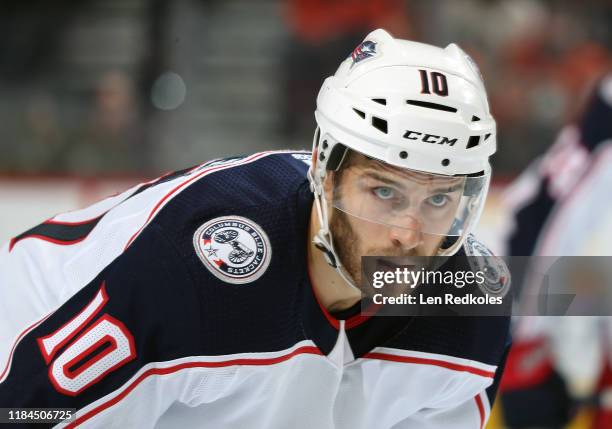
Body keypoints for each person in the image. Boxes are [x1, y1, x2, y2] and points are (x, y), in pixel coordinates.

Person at [0, 29, 510, 428]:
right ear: (324, 170)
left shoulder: (470, 296)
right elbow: (24, 412)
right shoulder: (196, 265)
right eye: (383, 192)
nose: (409, 234)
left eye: (440, 198)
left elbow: (573, 289)